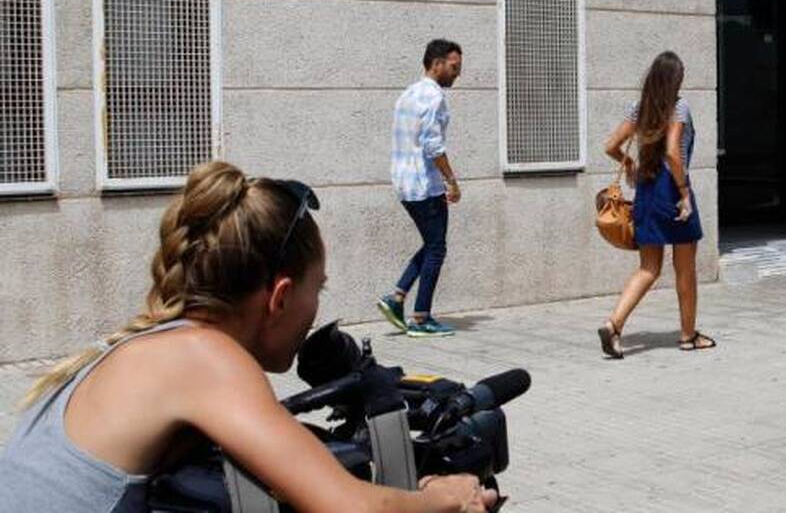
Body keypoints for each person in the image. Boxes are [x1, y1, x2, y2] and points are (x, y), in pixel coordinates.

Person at [0, 161, 495, 512]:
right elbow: (349, 508)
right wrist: (444, 496)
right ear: (280, 296)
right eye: (318, 288)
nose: (316, 307)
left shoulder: (153, 343)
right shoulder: (204, 358)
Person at [597, 51, 716, 359]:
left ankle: (613, 325)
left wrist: (629, 164)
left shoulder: (639, 107)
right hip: (672, 190)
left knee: (649, 267)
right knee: (685, 268)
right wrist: (684, 193)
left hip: (646, 191)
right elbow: (674, 153)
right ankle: (688, 336)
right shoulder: (679, 106)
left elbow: (611, 145)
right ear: (674, 80)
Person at [378, 39, 463, 338]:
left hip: (404, 184)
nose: (457, 74)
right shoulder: (434, 96)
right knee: (437, 248)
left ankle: (397, 298)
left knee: (431, 244)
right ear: (436, 64)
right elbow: (432, 144)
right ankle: (421, 317)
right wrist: (451, 181)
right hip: (424, 185)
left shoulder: (408, 94)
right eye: (454, 67)